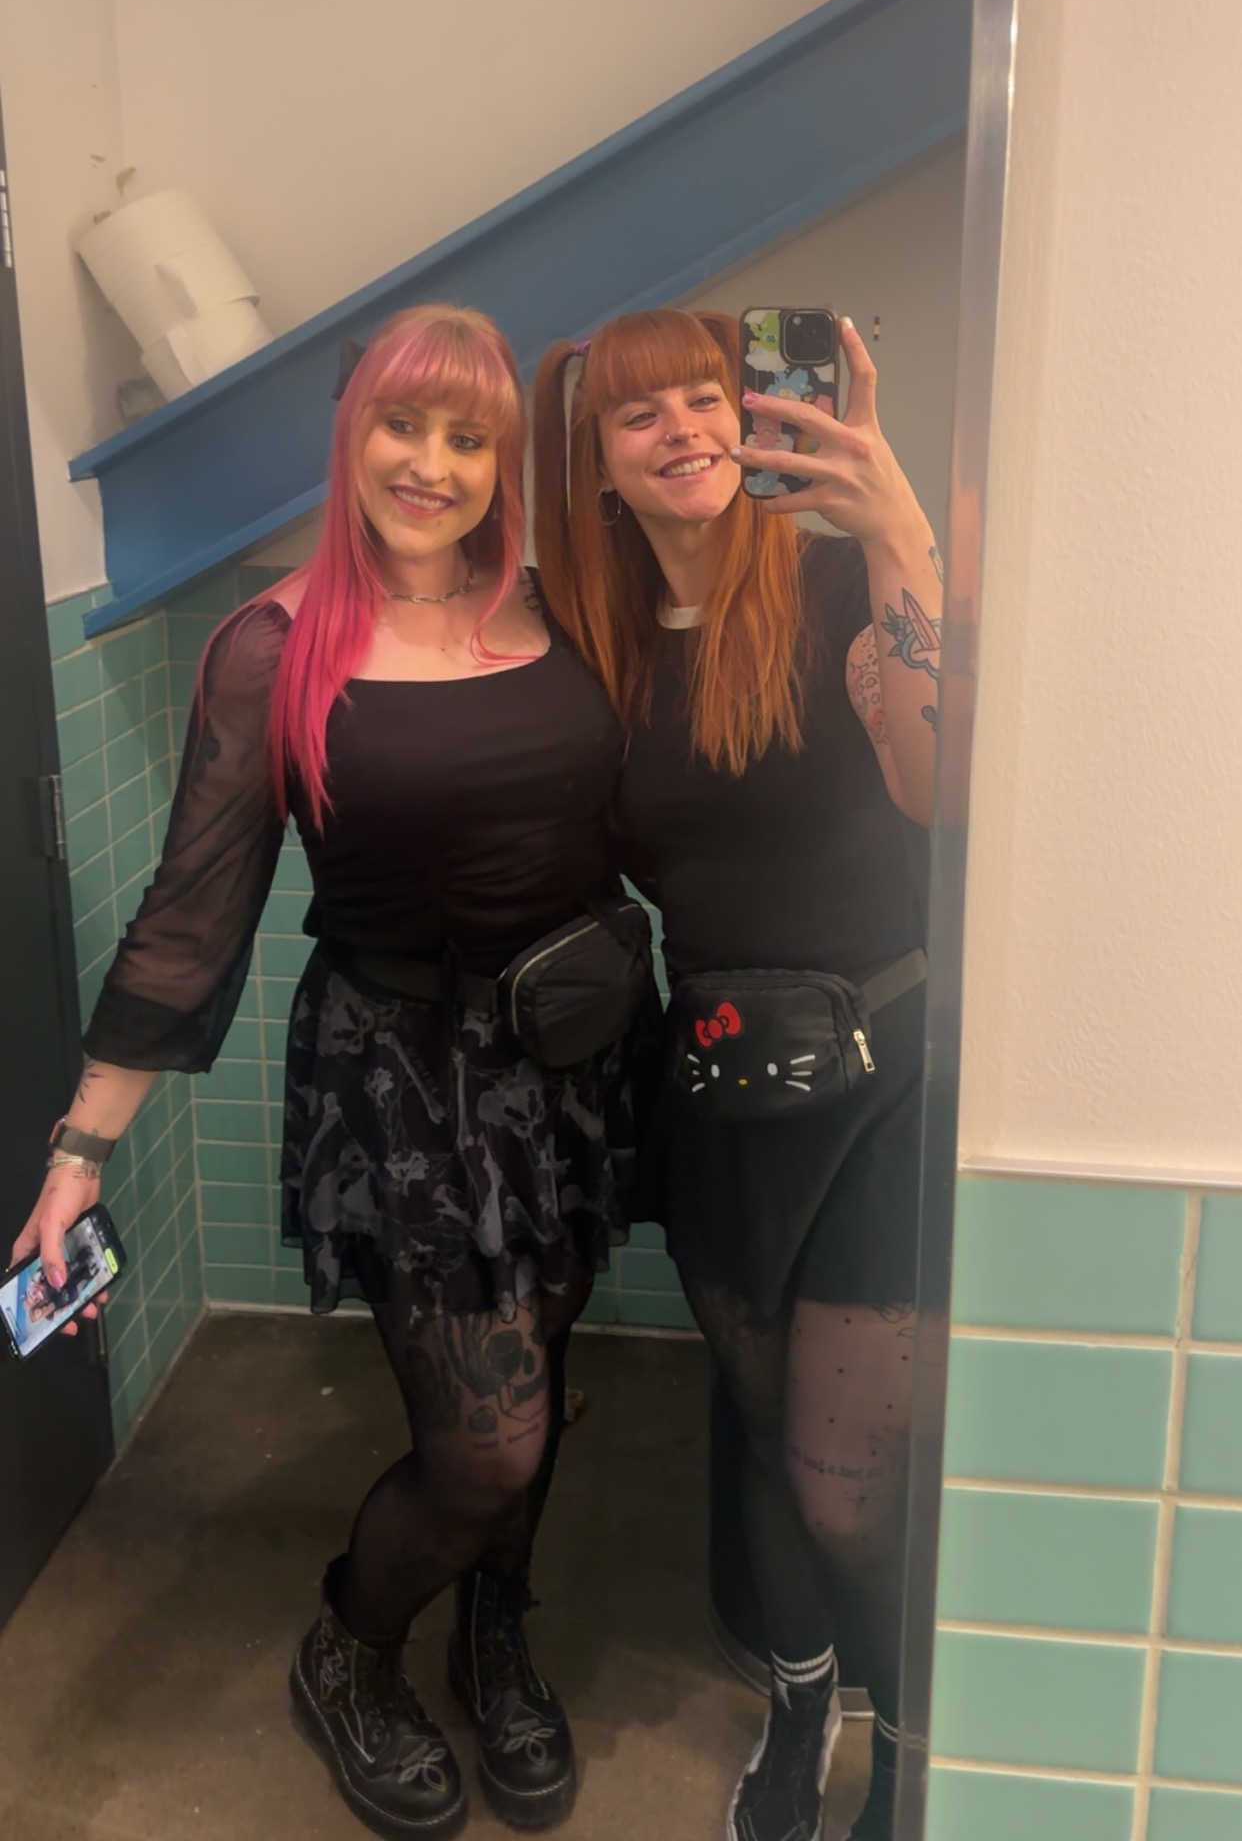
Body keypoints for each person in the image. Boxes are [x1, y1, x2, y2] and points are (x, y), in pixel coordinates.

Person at [11, 304, 654, 1841]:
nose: (429, 464)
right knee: (484, 1440)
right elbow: (193, 912)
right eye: (400, 425)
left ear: (502, 462)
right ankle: (350, 1649)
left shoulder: (558, 608)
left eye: (466, 437)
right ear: (351, 435)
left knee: (539, 1369)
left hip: (568, 1066)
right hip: (405, 1085)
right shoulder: (273, 648)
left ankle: (494, 1629)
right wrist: (79, 1152)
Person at [533, 307, 940, 1841]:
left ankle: (908, 1741)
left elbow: (940, 785)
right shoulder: (593, 635)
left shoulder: (839, 581)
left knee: (846, 1476)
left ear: (749, 412)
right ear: (597, 462)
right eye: (639, 414)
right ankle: (798, 1702)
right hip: (713, 1082)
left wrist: (893, 519)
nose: (683, 429)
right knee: (762, 1434)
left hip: (882, 1078)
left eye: (705, 396)